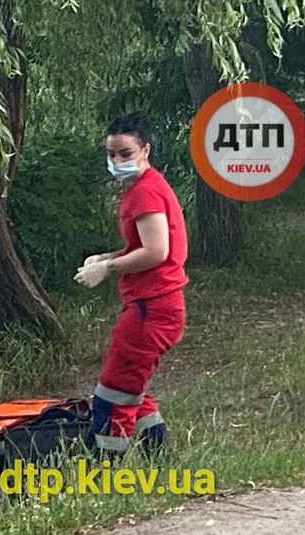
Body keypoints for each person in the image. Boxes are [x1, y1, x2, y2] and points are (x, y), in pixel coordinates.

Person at [74, 112, 188, 458]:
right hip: (156, 305)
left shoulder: (145, 192)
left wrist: (108, 268)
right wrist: (105, 256)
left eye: (125, 153)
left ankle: (104, 472)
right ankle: (159, 457)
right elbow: (143, 245)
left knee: (113, 394)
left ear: (145, 150)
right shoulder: (147, 186)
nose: (117, 161)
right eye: (111, 154)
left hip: (151, 307)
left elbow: (155, 252)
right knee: (131, 387)